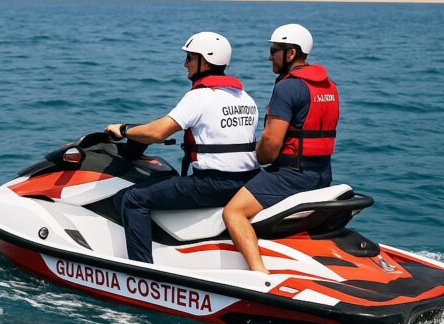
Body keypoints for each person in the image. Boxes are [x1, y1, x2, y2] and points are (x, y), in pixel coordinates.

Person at [104, 32, 260, 264]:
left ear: (205, 61)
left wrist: (123, 129)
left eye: (189, 58)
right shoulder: (244, 97)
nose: (185, 64)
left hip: (213, 184)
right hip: (247, 182)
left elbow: (158, 132)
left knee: (133, 198)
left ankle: (142, 271)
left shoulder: (201, 96)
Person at [222, 24, 340, 273]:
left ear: (291, 53)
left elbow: (270, 148)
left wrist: (252, 155)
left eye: (274, 50)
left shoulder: (287, 87)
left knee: (233, 212)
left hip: (291, 177)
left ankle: (258, 274)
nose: (269, 56)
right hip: (322, 175)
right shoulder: (329, 86)